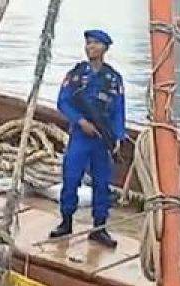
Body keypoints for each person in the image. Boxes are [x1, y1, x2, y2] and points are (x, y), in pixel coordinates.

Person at [49, 29, 125, 249]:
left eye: (95, 43)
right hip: (81, 136)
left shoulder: (113, 78)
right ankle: (66, 222)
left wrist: (118, 136)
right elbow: (63, 102)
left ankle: (99, 228)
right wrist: (81, 121)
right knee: (71, 178)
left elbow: (119, 109)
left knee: (102, 183)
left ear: (104, 48)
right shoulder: (76, 74)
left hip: (102, 139)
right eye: (88, 43)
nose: (90, 47)